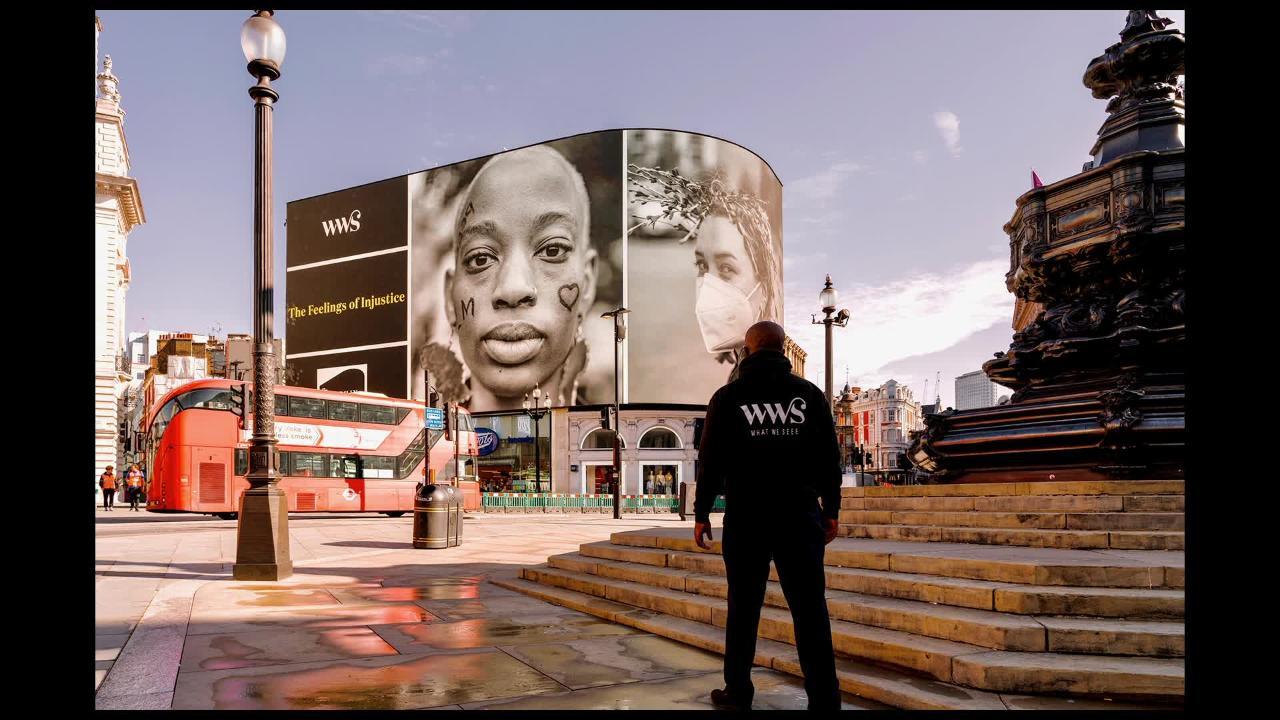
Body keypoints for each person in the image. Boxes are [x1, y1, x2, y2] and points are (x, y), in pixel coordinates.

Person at [693, 320, 841, 711]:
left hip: (747, 517)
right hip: (799, 514)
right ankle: (825, 698)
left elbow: (709, 461)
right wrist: (832, 510)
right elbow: (830, 458)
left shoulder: (728, 397)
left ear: (747, 350)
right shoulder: (809, 395)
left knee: (743, 608)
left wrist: (702, 512)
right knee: (810, 609)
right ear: (783, 351)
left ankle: (738, 691)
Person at [443, 145, 599, 411]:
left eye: (552, 250)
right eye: (480, 258)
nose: (513, 289)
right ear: (449, 298)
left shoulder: (607, 446)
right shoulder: (424, 445)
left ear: (588, 284)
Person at [628, 166, 782, 383]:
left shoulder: (766, 381)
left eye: (727, 268)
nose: (709, 285)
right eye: (702, 265)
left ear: (763, 283)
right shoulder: (744, 370)